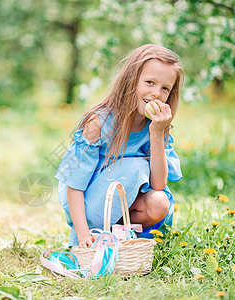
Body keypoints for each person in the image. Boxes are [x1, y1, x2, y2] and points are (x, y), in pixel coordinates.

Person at [55, 44, 184, 249]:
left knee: (159, 201)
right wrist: (82, 235)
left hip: (125, 204)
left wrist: (157, 133)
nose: (156, 94)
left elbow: (158, 184)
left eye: (165, 88)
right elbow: (74, 185)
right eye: (149, 82)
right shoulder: (98, 124)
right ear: (131, 81)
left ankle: (121, 239)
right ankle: (96, 236)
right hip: (91, 207)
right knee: (135, 166)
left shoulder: (156, 127)